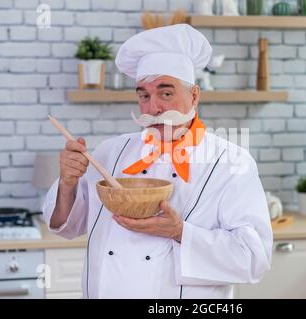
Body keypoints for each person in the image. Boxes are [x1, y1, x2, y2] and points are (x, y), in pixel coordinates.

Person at [43, 24, 273, 299]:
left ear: (194, 96)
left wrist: (180, 233)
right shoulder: (109, 152)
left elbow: (254, 258)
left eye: (166, 93)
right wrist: (68, 182)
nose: (154, 108)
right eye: (144, 95)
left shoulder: (231, 162)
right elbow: (65, 226)